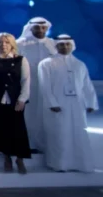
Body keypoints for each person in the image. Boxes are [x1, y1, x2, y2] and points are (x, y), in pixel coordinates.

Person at [39, 35, 99, 172]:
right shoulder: (46, 63)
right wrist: (52, 103)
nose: (65, 47)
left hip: (77, 105)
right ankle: (60, 164)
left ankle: (80, 164)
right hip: (58, 105)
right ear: (56, 46)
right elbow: (45, 86)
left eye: (68, 44)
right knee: (60, 134)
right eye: (61, 44)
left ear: (72, 46)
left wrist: (91, 103)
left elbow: (86, 85)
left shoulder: (79, 64)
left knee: (79, 133)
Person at [0, 33, 32, 173]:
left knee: (17, 128)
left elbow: (25, 81)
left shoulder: (21, 60)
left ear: (12, 44)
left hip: (14, 99)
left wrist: (22, 99)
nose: (3, 45)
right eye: (1, 42)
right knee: (1, 129)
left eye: (7, 42)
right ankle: (6, 157)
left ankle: (20, 159)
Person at [17, 17, 57, 152]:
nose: (40, 29)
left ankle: (47, 144)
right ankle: (30, 144)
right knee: (29, 115)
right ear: (31, 28)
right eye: (37, 27)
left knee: (47, 114)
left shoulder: (52, 44)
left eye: (43, 27)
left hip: (49, 85)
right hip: (28, 84)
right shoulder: (20, 43)